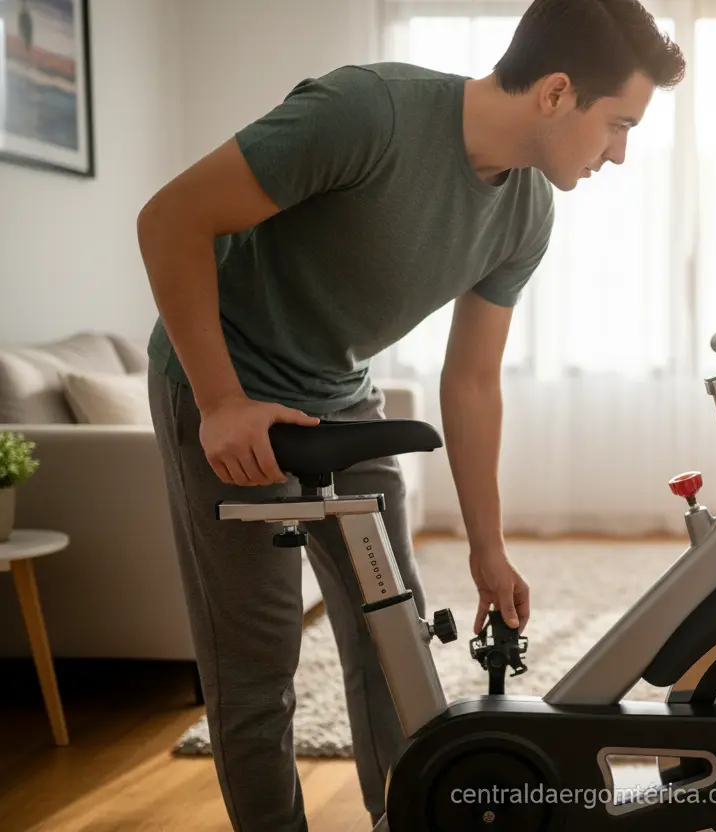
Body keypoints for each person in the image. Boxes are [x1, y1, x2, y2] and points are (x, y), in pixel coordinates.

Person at [135, 0, 685, 829]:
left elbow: (471, 382)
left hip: (340, 397)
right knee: (257, 663)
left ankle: (409, 819)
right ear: (557, 92)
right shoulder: (368, 112)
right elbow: (169, 218)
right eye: (618, 125)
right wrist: (218, 403)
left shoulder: (528, 212)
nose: (621, 153)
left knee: (393, 645)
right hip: (224, 389)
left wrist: (488, 548)